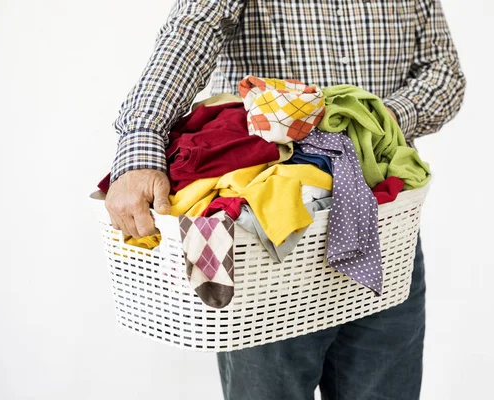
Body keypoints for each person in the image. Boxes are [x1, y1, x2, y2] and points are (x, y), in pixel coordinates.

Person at [104, 1, 466, 399]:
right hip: (269, 246)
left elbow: (443, 73)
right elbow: (190, 33)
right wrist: (141, 146)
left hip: (385, 230)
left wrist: (371, 119)